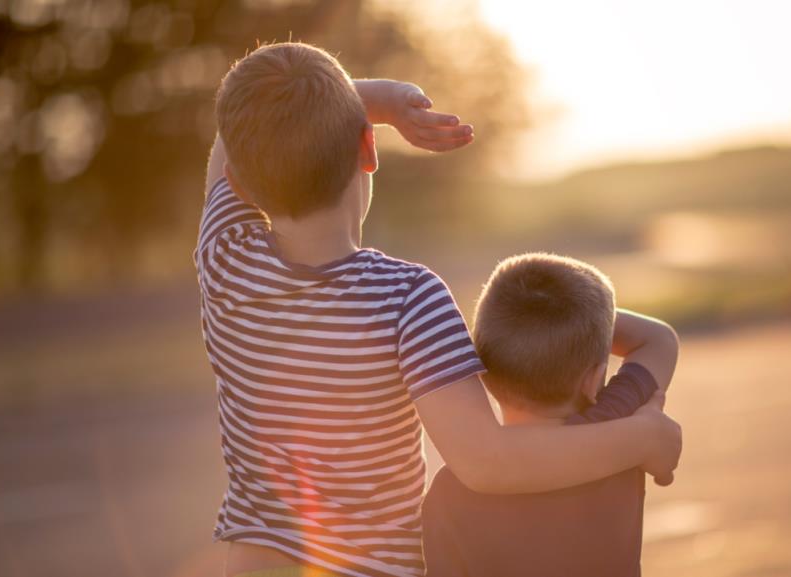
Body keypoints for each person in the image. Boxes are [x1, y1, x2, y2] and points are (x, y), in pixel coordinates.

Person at [196, 42, 682, 577]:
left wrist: (369, 102)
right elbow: (487, 463)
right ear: (367, 148)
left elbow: (228, 143)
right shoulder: (406, 298)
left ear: (240, 184)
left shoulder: (225, 260)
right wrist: (643, 437)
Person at [422, 253, 680, 577]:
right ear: (592, 379)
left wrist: (521, 327)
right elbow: (659, 339)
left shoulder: (453, 489)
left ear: (483, 371)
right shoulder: (617, 433)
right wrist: (587, 324)